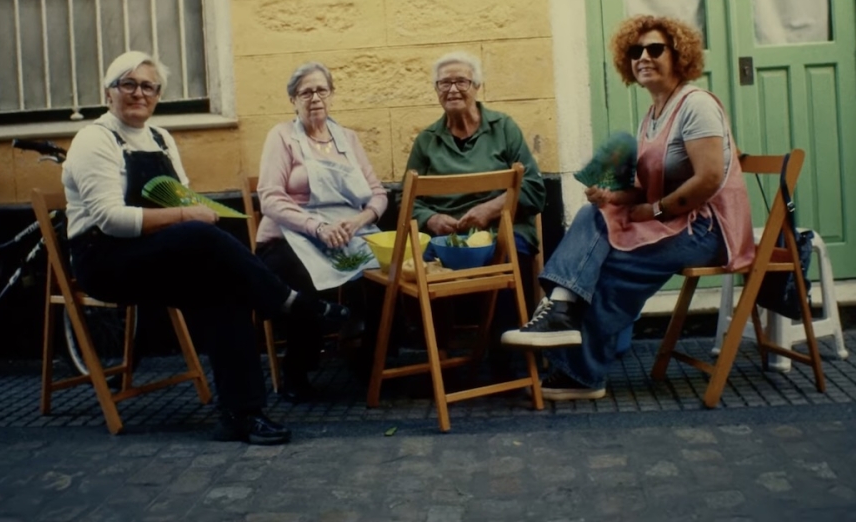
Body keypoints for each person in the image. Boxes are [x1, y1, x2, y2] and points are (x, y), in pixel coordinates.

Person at [63, 51, 348, 445]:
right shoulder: (94, 140)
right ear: (108, 93)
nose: (138, 93)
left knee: (225, 290)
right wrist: (186, 218)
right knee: (197, 234)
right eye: (127, 84)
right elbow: (112, 219)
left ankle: (242, 414)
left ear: (158, 94)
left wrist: (190, 214)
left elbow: (180, 200)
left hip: (160, 254)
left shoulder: (160, 138)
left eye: (148, 86)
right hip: (107, 261)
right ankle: (290, 302)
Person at [501, 15, 755, 401]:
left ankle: (582, 369)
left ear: (679, 54)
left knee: (612, 266)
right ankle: (563, 309)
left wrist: (653, 212)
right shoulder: (653, 114)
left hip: (707, 228)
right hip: (675, 219)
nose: (643, 57)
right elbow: (646, 187)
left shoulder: (696, 105)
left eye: (655, 49)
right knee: (593, 215)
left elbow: (706, 180)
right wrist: (614, 199)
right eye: (635, 51)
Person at [255, 62, 388, 402]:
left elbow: (378, 194)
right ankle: (296, 371)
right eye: (305, 92)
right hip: (291, 236)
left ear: (331, 95)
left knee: (388, 273)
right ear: (293, 100)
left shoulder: (348, 139)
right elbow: (269, 197)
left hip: (347, 234)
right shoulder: (282, 137)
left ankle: (371, 362)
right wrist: (317, 227)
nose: (314, 98)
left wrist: (358, 221)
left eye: (321, 90)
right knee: (303, 278)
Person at [406, 51, 546, 361]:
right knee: (417, 265)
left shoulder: (503, 128)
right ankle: (441, 356)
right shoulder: (427, 140)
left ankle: (507, 354)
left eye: (461, 81)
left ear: (477, 86)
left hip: (501, 229)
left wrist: (491, 209)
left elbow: (536, 189)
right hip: (447, 237)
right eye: (444, 83)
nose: (452, 89)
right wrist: (431, 219)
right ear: (436, 90)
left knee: (510, 254)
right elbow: (408, 201)